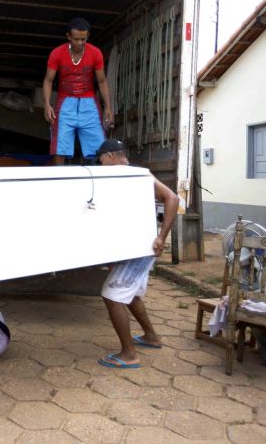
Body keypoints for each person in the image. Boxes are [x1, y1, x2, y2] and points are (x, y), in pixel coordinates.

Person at [94, 139, 179, 369]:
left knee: (112, 296)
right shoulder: (136, 176)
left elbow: (173, 198)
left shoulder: (136, 175)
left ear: (110, 156)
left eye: (100, 160)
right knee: (130, 295)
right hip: (138, 247)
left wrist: (162, 237)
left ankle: (128, 354)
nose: (100, 165)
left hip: (141, 249)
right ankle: (151, 336)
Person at [42, 17, 114, 165]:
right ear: (68, 36)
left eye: (84, 39)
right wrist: (47, 105)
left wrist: (108, 106)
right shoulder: (57, 53)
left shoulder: (95, 53)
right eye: (76, 39)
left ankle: (98, 183)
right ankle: (59, 181)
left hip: (90, 105)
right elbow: (48, 80)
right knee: (59, 148)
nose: (80, 43)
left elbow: (101, 80)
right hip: (65, 105)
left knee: (99, 148)